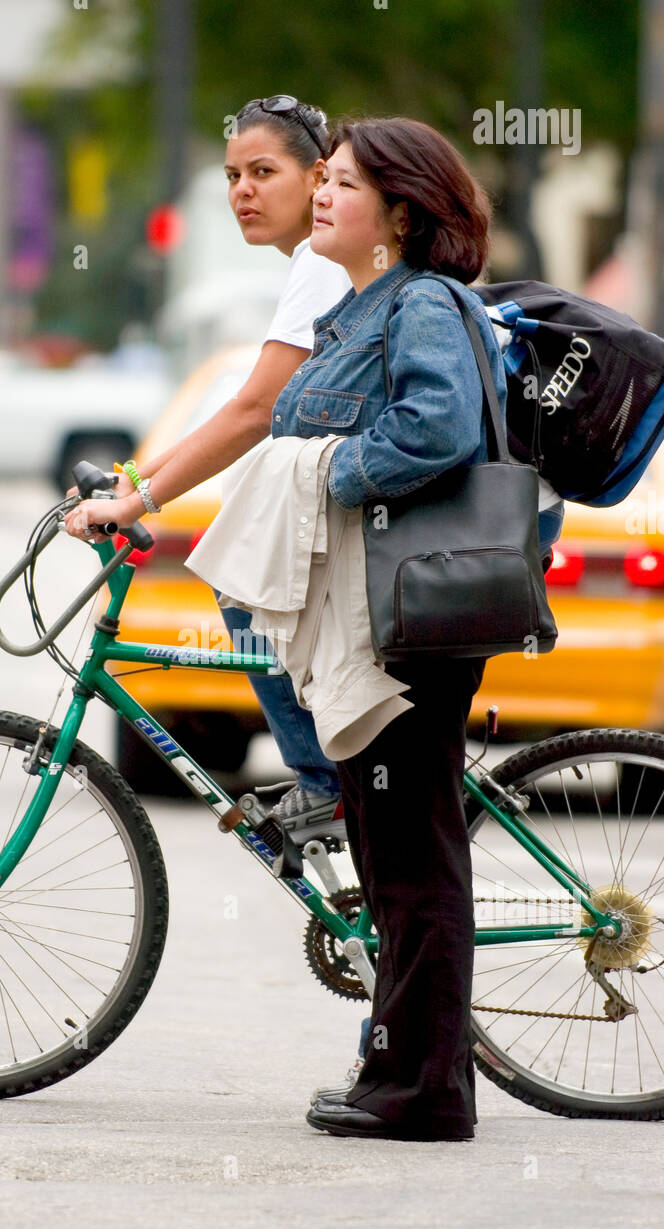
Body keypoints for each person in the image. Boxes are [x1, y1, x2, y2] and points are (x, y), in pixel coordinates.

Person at [67, 116, 565, 1139]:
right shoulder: (360, 309)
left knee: (413, 856)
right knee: (392, 852)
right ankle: (403, 1071)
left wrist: (326, 477)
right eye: (323, 180)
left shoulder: (418, 302)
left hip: (409, 617)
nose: (320, 197)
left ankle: (424, 1090)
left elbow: (435, 429)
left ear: (398, 212)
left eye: (340, 184)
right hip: (382, 613)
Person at [72, 95, 352, 834]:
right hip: (406, 505)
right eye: (232, 175)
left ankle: (327, 782)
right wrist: (136, 482)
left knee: (246, 581)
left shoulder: (326, 261)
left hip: (415, 509)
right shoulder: (321, 262)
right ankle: (344, 785)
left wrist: (136, 501)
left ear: (319, 175)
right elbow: (254, 413)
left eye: (263, 171)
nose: (242, 192)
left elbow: (255, 409)